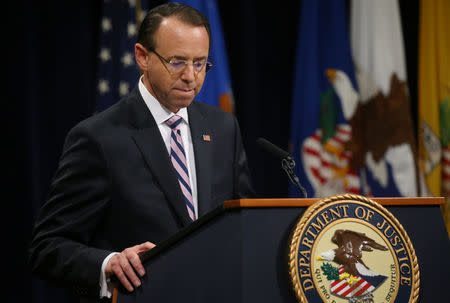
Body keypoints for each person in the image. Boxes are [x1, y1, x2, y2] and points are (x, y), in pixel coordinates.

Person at [28, 2, 253, 302]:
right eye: (177, 62)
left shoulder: (224, 128)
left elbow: (244, 222)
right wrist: (109, 263)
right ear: (142, 57)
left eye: (200, 63)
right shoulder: (99, 139)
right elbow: (47, 247)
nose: (191, 76)